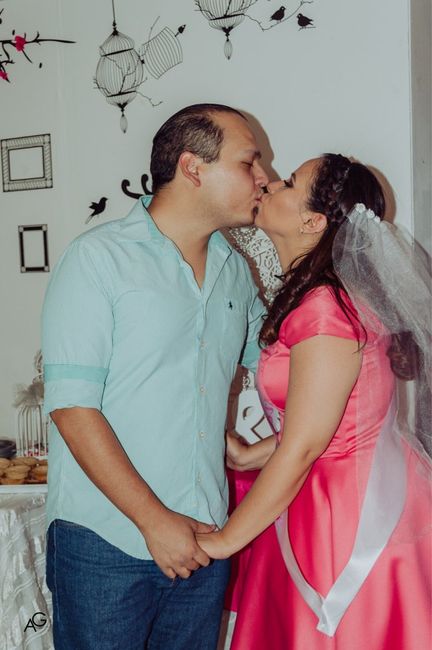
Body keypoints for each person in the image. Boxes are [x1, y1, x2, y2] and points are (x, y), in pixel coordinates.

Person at [41, 103, 269, 650]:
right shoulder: (97, 259)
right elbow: (73, 408)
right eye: (248, 162)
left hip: (205, 538)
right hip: (105, 543)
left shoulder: (235, 270)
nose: (264, 177)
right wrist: (154, 520)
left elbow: (283, 361)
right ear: (193, 167)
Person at [197, 153, 432, 649]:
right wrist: (250, 455)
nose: (268, 185)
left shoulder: (326, 308)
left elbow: (305, 445)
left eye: (287, 182)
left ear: (313, 222)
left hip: (341, 517)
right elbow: (342, 418)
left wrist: (224, 541)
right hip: (342, 493)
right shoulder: (332, 297)